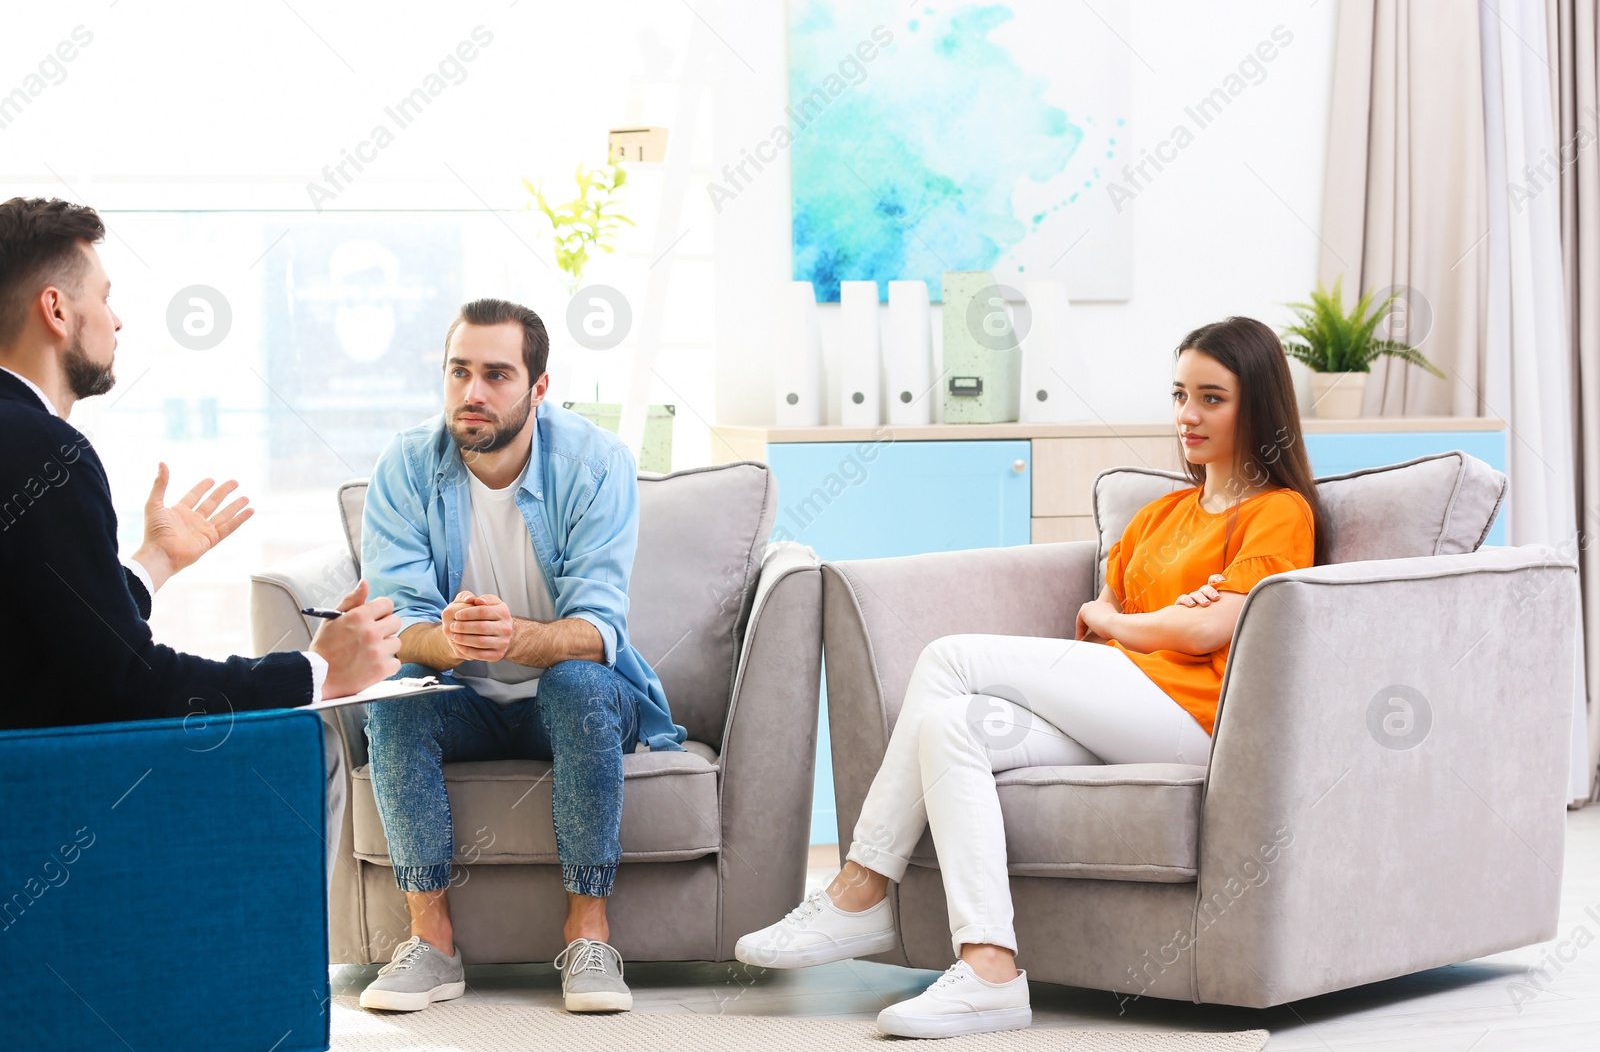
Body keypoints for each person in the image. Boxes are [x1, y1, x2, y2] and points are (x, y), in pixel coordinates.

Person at [735, 316, 1324, 1039]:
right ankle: (989, 969)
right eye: (1179, 395)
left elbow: (1203, 630)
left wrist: (1134, 621)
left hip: (1191, 721)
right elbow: (1110, 609)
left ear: (1258, 406)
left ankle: (861, 884)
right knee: (951, 726)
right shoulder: (1159, 514)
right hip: (1119, 708)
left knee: (950, 657)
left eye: (1212, 398)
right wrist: (1148, 617)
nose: (1188, 416)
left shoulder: (1278, 511)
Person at [0, 196, 403, 885]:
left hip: (30, 755)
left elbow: (56, 640)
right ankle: (275, 986)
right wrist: (316, 671)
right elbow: (127, 683)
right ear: (57, 310)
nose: (118, 318)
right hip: (44, 791)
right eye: (104, 296)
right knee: (309, 745)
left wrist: (155, 562)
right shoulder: (45, 450)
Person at [355, 297, 686, 1015]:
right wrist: (453, 639)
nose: (473, 393)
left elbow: (599, 630)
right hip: (460, 699)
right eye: (459, 372)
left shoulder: (596, 463)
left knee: (577, 680)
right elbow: (396, 624)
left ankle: (589, 930)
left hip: (568, 698)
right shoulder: (407, 464)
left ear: (539, 387)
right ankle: (432, 942)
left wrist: (512, 637)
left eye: (497, 375)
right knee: (395, 695)